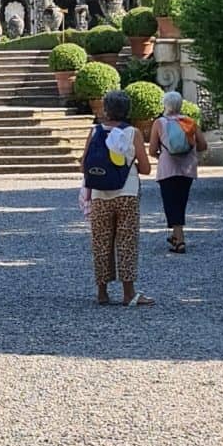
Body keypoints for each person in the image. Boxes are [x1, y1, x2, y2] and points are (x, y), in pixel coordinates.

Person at [81, 88, 154, 307]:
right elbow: (146, 168)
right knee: (127, 242)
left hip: (100, 194)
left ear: (106, 110)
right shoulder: (132, 133)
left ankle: (102, 292)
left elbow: (84, 164)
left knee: (101, 241)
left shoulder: (94, 132)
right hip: (127, 193)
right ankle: (129, 293)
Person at [147, 88, 208, 254]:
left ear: (165, 105)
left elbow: (152, 150)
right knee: (180, 202)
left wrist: (163, 155)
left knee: (170, 203)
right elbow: (203, 145)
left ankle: (180, 240)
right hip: (187, 168)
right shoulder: (189, 122)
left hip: (168, 168)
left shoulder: (159, 123)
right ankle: (175, 236)